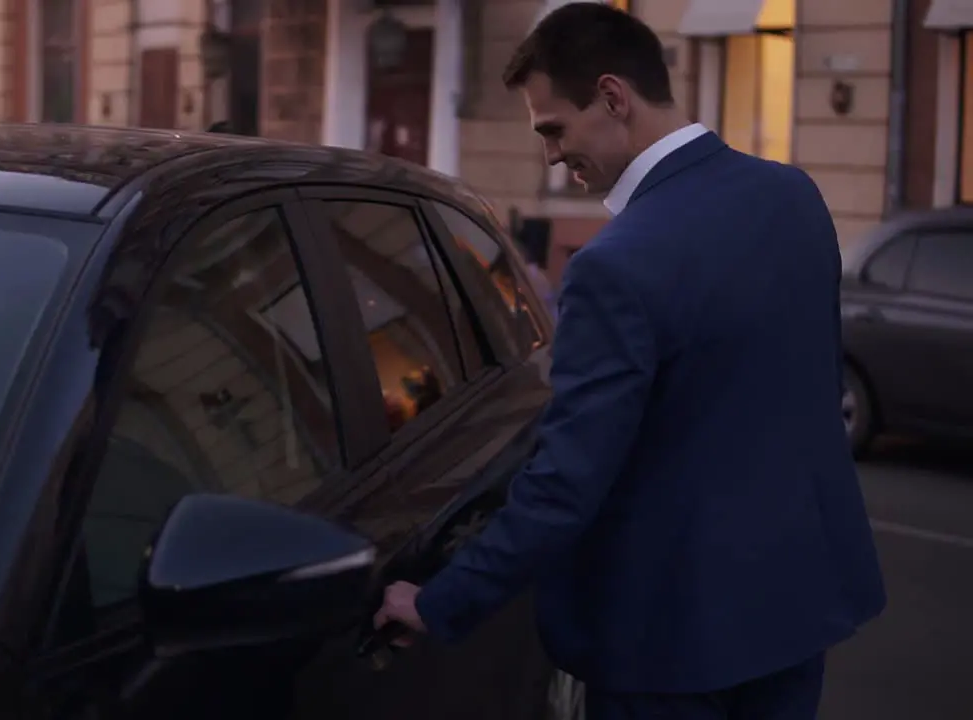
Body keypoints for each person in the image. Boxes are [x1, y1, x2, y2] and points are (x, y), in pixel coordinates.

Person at [372, 5, 885, 720]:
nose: (552, 155)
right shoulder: (793, 197)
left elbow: (566, 483)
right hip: (795, 610)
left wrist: (440, 601)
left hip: (669, 644)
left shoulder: (616, 266)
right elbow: (806, 395)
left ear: (613, 97)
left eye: (554, 129)